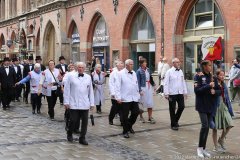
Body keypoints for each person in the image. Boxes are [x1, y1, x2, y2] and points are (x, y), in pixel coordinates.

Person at [194, 60, 221, 158]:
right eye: (209, 65)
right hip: (201, 105)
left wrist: (215, 92)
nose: (211, 66)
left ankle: (204, 148)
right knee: (204, 126)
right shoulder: (198, 76)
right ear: (204, 66)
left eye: (211, 65)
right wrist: (208, 86)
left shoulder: (213, 77)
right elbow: (197, 91)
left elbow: (219, 90)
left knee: (207, 128)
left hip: (211, 105)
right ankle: (199, 148)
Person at [64, 62, 94, 145]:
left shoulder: (88, 77)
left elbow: (90, 91)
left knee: (85, 122)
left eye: (82, 67)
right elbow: (67, 89)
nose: (80, 68)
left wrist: (92, 103)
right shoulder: (71, 76)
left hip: (85, 103)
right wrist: (66, 102)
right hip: (73, 102)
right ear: (76, 68)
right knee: (73, 120)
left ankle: (82, 138)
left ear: (84, 69)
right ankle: (69, 133)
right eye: (79, 67)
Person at [115, 59, 140, 138]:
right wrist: (118, 97)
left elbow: (136, 85)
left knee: (136, 113)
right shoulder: (120, 74)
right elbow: (117, 86)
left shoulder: (134, 73)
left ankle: (129, 126)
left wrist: (138, 95)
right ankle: (125, 131)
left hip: (134, 97)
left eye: (133, 64)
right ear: (126, 65)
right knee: (124, 116)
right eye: (131, 64)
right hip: (125, 98)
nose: (132, 65)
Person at [212, 70, 234, 153]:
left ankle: (221, 140)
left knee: (229, 124)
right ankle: (215, 146)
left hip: (224, 106)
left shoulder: (224, 84)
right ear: (217, 75)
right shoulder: (213, 83)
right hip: (215, 107)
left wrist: (229, 108)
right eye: (221, 75)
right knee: (215, 128)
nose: (222, 76)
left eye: (223, 75)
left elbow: (227, 97)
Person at [164, 58, 187, 130]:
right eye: (177, 62)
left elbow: (183, 82)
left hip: (180, 92)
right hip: (172, 93)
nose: (179, 63)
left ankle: (175, 120)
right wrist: (166, 93)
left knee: (182, 106)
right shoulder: (169, 72)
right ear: (173, 63)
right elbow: (166, 83)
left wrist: (185, 92)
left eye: (179, 62)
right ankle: (173, 124)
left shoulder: (181, 71)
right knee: (172, 109)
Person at [136, 58, 156, 124]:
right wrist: (139, 90)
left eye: (146, 62)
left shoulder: (148, 69)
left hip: (149, 87)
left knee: (150, 102)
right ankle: (141, 117)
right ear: (141, 64)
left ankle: (150, 117)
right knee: (141, 103)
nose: (146, 63)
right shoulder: (138, 71)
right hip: (143, 87)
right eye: (144, 62)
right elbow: (138, 82)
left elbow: (151, 78)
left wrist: (154, 85)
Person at [108, 60, 124, 125]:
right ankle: (110, 118)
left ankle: (122, 121)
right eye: (120, 64)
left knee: (122, 108)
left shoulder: (124, 72)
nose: (121, 65)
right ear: (117, 65)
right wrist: (113, 93)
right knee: (115, 107)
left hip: (122, 93)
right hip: (114, 94)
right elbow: (111, 83)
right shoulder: (113, 73)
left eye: (122, 63)